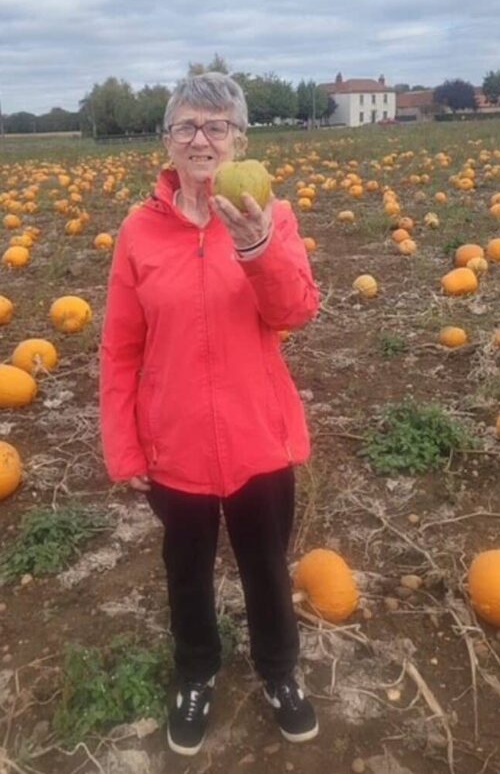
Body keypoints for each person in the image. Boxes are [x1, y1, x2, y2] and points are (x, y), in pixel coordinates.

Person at [99, 72, 323, 755]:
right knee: (186, 570)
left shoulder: (270, 215)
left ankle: (279, 670)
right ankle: (195, 671)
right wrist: (124, 446)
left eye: (217, 126)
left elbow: (296, 310)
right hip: (176, 443)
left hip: (258, 436)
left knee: (267, 566)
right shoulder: (139, 231)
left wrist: (257, 248)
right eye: (187, 126)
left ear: (239, 141)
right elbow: (119, 348)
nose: (202, 139)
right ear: (167, 141)